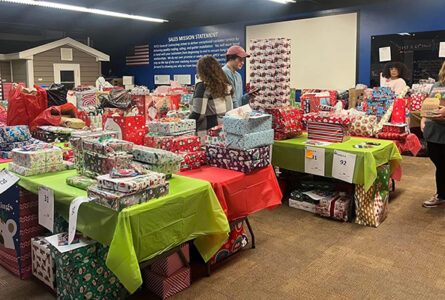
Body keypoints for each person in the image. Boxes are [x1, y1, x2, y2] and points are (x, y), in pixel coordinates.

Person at [189, 55, 233, 135]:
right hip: (223, 131)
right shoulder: (225, 85)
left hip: (205, 134)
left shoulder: (203, 86)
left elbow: (198, 114)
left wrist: (183, 122)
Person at [421, 61, 445, 207]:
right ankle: (441, 194)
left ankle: (442, 194)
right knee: (440, 164)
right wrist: (423, 118)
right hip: (434, 133)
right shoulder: (437, 85)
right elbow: (428, 105)